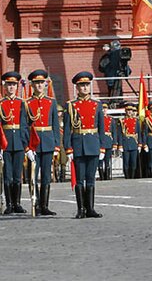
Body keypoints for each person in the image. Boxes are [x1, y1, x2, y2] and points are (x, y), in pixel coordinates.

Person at [63, 71, 104, 219]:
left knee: (91, 179)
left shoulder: (97, 105)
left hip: (93, 143)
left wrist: (102, 147)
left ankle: (90, 208)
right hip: (78, 144)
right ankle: (81, 209)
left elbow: (101, 128)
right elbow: (67, 129)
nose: (85, 88)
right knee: (80, 179)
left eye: (87, 85)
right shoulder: (71, 106)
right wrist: (68, 148)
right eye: (82, 85)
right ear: (77, 87)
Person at [25, 69, 60, 216]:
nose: (39, 86)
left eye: (42, 83)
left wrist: (57, 145)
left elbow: (55, 125)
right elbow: (25, 127)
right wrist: (27, 147)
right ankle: (35, 203)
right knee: (32, 175)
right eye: (37, 83)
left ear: (45, 84)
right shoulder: (27, 103)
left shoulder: (51, 102)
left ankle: (44, 205)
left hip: (47, 141)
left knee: (46, 175)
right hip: (33, 143)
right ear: (32, 85)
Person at [0, 72, 29, 214]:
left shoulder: (22, 103)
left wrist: (26, 144)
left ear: (16, 86)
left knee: (17, 175)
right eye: (9, 84)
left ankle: (17, 203)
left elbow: (24, 125)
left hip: (19, 143)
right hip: (6, 142)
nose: (11, 87)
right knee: (7, 175)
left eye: (14, 85)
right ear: (5, 86)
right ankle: (9, 203)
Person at [117, 103, 142, 179]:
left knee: (133, 162)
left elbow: (138, 133)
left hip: (134, 143)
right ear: (125, 111)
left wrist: (140, 144)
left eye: (131, 110)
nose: (129, 112)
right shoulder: (122, 121)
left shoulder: (136, 121)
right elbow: (120, 134)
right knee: (126, 162)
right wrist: (120, 145)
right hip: (126, 143)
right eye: (128, 110)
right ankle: (127, 177)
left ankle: (132, 176)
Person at [100, 102, 117, 180]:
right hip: (100, 142)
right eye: (103, 108)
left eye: (105, 108)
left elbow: (114, 132)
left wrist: (114, 144)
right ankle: (102, 176)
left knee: (107, 161)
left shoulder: (111, 119)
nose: (104, 110)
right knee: (100, 162)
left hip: (108, 141)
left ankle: (107, 176)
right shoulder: (98, 119)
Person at [55, 105, 68, 182]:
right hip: (56, 144)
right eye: (57, 112)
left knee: (63, 161)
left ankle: (63, 176)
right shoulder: (53, 121)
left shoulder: (64, 121)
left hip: (63, 144)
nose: (59, 114)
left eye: (60, 112)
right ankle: (56, 176)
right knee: (56, 162)